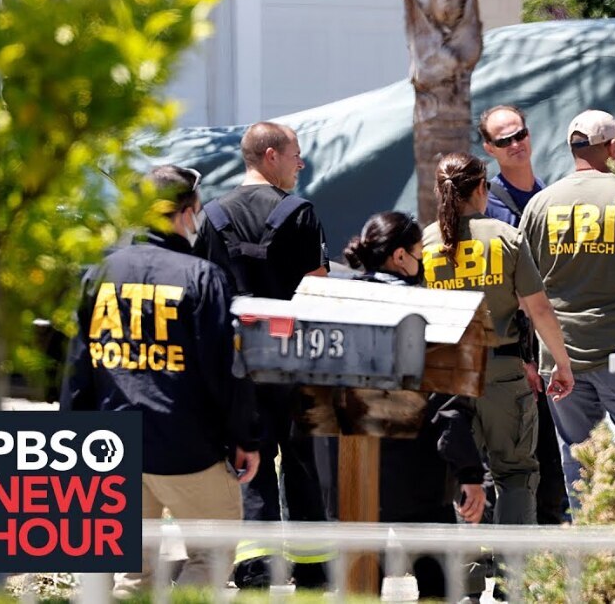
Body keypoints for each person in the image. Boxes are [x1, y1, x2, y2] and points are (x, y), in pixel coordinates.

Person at [61, 165, 260, 595]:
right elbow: (225, 369)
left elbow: (79, 367)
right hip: (185, 446)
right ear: (186, 213)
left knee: (134, 571)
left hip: (113, 444)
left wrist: (74, 439)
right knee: (212, 554)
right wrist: (244, 436)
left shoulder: (101, 274)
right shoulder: (202, 277)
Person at [193, 121, 333, 588]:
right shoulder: (300, 212)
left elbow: (204, 289)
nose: (301, 163)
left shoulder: (212, 215)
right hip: (294, 358)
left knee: (246, 458)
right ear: (271, 155)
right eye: (295, 154)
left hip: (236, 363)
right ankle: (312, 570)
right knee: (302, 461)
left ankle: (255, 567)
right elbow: (317, 288)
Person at [422, 151, 575, 527]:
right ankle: (512, 564)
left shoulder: (424, 243)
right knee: (516, 473)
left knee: (458, 469)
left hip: (447, 374)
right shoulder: (506, 237)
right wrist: (560, 364)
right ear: (480, 188)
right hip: (502, 372)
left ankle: (468, 560)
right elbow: (539, 309)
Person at [343, 211, 487, 597]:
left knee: (359, 588)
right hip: (417, 473)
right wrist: (470, 473)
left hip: (351, 472)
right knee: (437, 584)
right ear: (399, 257)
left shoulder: (335, 305)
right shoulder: (426, 310)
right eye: (420, 253)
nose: (422, 263)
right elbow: (446, 404)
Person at [519, 110, 615, 515]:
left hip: (561, 357)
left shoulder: (540, 204)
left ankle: (592, 541)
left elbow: (524, 289)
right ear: (612, 147)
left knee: (579, 461)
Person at [479, 104, 568, 525]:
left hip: (556, 341)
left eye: (520, 134)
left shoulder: (549, 197)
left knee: (557, 459)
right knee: (523, 459)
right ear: (488, 148)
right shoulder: (489, 208)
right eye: (504, 140)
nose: (516, 144)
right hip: (519, 353)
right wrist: (524, 357)